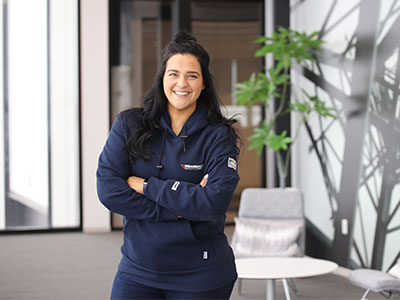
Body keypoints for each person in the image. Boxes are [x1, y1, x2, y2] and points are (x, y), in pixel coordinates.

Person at [96, 31, 240, 299]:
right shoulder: (129, 124)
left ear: (203, 83)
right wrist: (181, 209)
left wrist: (147, 186)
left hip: (201, 273)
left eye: (192, 75)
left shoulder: (219, 136)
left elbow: (214, 202)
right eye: (173, 73)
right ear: (162, 78)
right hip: (137, 269)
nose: (181, 83)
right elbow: (109, 191)